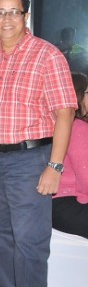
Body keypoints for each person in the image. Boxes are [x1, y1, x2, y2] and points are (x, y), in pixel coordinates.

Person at [0, 0, 77, 287]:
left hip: (31, 161)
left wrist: (55, 166)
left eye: (14, 12)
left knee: (30, 245)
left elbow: (65, 113)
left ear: (25, 16)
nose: (7, 19)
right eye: (0, 12)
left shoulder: (47, 55)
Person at [52, 72, 88, 239]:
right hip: (68, 201)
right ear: (78, 97)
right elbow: (85, 178)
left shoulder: (57, 124)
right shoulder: (78, 128)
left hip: (53, 202)